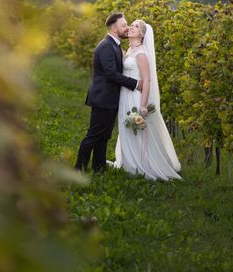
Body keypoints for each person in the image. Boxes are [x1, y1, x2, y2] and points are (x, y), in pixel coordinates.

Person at [112, 19, 181, 180]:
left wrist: (143, 105)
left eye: (136, 26)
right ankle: (130, 163)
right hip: (125, 94)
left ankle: (141, 166)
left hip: (135, 96)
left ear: (142, 34)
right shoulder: (130, 50)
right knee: (127, 129)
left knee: (137, 131)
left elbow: (147, 81)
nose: (131, 27)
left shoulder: (141, 53)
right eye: (132, 25)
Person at [74, 13, 143, 173]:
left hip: (109, 99)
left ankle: (99, 168)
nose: (127, 28)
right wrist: (135, 84)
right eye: (124, 25)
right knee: (93, 136)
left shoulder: (115, 45)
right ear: (114, 28)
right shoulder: (106, 46)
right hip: (103, 99)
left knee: (103, 137)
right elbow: (111, 73)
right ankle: (77, 169)